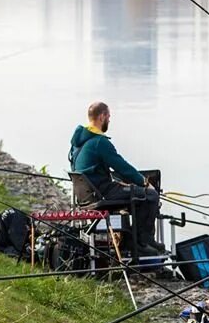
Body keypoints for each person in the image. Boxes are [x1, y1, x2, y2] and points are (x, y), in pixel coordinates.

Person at [69, 102, 163, 256]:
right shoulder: (100, 142)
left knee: (136, 193)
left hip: (88, 195)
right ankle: (139, 243)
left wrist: (123, 182)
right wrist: (145, 182)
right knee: (150, 195)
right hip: (101, 194)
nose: (109, 120)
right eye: (109, 117)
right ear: (102, 117)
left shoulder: (78, 143)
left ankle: (137, 239)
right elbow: (122, 166)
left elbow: (99, 169)